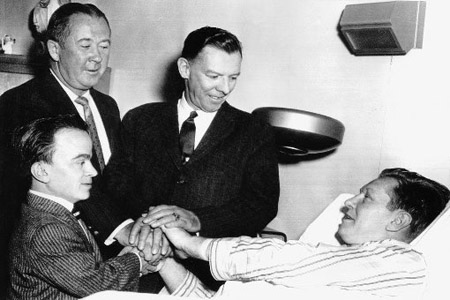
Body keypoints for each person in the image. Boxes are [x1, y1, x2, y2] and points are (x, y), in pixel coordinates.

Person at [104, 26, 280, 291]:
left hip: (213, 277)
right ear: (185, 69)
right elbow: (116, 184)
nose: (224, 88)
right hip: (141, 265)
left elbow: (261, 205)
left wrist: (197, 220)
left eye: (233, 78)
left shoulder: (255, 132)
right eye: (214, 76)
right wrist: (146, 223)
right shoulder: (139, 120)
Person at [0, 3, 134, 296]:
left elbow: (115, 180)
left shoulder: (107, 106)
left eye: (103, 45)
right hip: (56, 265)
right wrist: (125, 230)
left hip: (109, 256)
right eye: (85, 45)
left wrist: (141, 222)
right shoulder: (20, 104)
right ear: (55, 50)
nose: (97, 57)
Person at [152, 168, 449, 299]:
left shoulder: (405, 265)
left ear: (398, 221)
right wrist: (163, 261)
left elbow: (292, 259)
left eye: (366, 198)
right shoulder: (338, 268)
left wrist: (194, 244)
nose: (348, 202)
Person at [8, 115, 156, 300]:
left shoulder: (51, 212)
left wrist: (128, 259)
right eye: (80, 162)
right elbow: (97, 286)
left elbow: (85, 270)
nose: (93, 171)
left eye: (90, 160)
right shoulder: (47, 230)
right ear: (42, 171)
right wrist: (139, 258)